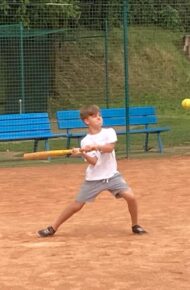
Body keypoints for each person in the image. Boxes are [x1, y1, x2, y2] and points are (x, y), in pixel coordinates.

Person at [37, 104, 147, 237]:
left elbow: (109, 148)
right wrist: (82, 153)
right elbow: (94, 162)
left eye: (99, 115)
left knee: (131, 197)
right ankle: (52, 228)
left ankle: (135, 225)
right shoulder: (85, 141)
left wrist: (95, 147)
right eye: (94, 116)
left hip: (112, 175)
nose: (99, 118)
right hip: (94, 179)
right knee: (77, 205)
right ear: (86, 121)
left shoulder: (109, 132)